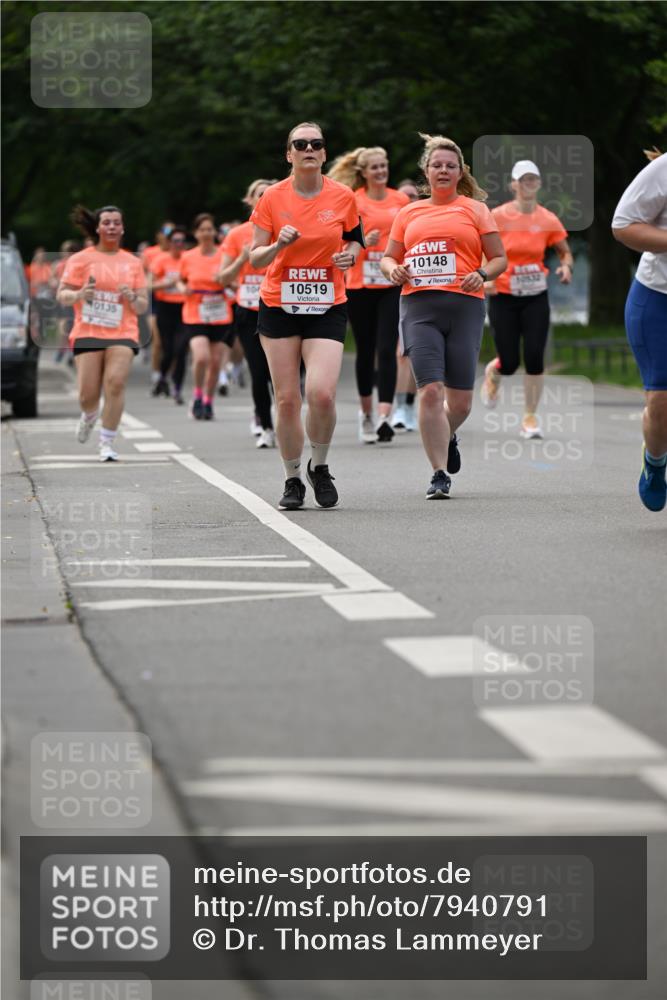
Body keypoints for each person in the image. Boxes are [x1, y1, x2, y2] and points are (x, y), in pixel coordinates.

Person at [381, 133, 506, 498]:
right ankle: (438, 473)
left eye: (451, 166)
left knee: (461, 402)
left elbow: (499, 258)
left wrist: (482, 273)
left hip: (464, 306)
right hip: (419, 307)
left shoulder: (476, 210)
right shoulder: (408, 212)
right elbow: (389, 257)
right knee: (431, 391)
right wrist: (392, 270)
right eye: (437, 165)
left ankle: (447, 434)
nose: (443, 171)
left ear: (460, 172)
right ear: (426, 171)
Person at [249, 121, 364, 510]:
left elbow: (355, 241)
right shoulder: (272, 198)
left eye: (316, 143)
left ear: (325, 153)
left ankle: (321, 464)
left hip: (327, 302)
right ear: (289, 154)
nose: (308, 149)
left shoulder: (343, 196)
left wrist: (351, 255)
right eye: (300, 144)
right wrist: (278, 245)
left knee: (322, 393)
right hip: (279, 303)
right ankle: (293, 477)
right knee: (286, 400)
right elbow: (254, 257)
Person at [480, 160, 573, 439]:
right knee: (509, 362)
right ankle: (494, 373)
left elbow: (564, 251)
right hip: (503, 295)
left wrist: (566, 266)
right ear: (513, 185)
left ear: (539, 184)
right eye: (523, 179)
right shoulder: (497, 216)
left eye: (533, 179)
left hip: (535, 296)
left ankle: (530, 418)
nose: (528, 184)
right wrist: (487, 277)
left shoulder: (547, 218)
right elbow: (483, 249)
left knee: (534, 357)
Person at [328, 147, 409, 443]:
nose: (380, 171)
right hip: (359, 285)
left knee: (387, 348)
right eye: (374, 167)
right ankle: (366, 415)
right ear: (363, 172)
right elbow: (336, 242)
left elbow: (409, 236)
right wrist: (363, 241)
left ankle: (385, 416)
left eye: (383, 166)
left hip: (390, 284)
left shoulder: (400, 200)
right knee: (365, 350)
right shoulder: (352, 200)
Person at [56, 205, 148, 461]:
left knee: (116, 384)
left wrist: (132, 298)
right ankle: (88, 415)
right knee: (88, 395)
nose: (111, 227)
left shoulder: (132, 262)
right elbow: (62, 295)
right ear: (97, 228)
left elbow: (142, 305)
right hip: (88, 329)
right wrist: (78, 294)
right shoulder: (80, 260)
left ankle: (107, 442)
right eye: (106, 222)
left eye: (116, 222)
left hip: (123, 331)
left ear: (122, 228)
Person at [612, 151, 667, 512]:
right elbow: (623, 224)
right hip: (658, 297)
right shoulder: (663, 170)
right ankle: (655, 463)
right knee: (661, 401)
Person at [219, 178, 278, 448]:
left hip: (281, 309)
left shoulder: (285, 229)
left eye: (270, 194)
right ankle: (265, 425)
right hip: (249, 311)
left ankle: (284, 420)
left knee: (281, 374)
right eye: (260, 194)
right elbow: (222, 278)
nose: (265, 197)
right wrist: (244, 258)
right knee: (258, 372)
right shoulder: (237, 235)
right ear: (250, 200)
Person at [179, 213, 234, 420]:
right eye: (202, 229)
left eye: (210, 229)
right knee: (201, 356)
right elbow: (180, 281)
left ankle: (209, 401)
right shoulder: (188, 257)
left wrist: (230, 285)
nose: (206, 233)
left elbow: (233, 279)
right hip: (195, 311)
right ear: (196, 233)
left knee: (215, 361)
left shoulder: (224, 254)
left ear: (215, 232)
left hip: (220, 312)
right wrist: (182, 289)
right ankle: (197, 395)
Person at [149, 227, 189, 403]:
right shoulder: (161, 260)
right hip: (165, 308)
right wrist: (167, 283)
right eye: (175, 241)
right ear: (169, 243)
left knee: (181, 350)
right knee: (168, 349)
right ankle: (162, 377)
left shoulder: (189, 259)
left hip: (185, 308)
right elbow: (148, 285)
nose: (179, 244)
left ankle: (177, 388)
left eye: (182, 241)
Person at [142, 222, 174, 392]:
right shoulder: (150, 253)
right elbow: (144, 279)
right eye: (166, 234)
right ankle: (156, 375)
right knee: (158, 341)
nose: (170, 238)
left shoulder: (180, 254)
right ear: (159, 236)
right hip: (155, 301)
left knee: (174, 344)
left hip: (175, 301)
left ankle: (167, 376)